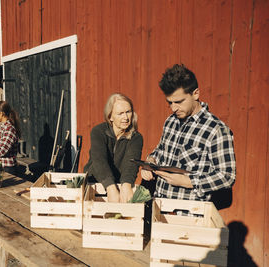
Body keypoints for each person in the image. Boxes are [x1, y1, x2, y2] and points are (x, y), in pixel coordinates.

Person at [141, 64, 236, 203]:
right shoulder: (171, 121)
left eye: (179, 102)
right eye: (170, 103)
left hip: (189, 213)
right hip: (159, 206)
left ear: (196, 94)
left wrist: (189, 181)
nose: (173, 108)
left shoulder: (216, 130)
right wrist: (150, 162)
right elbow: (160, 151)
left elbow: (227, 176)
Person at [84, 93, 143, 203]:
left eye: (128, 112)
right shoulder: (98, 132)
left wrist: (126, 186)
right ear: (110, 116)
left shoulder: (136, 137)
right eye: (120, 113)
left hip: (120, 184)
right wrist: (110, 187)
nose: (125, 117)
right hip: (95, 183)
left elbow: (131, 163)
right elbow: (99, 160)